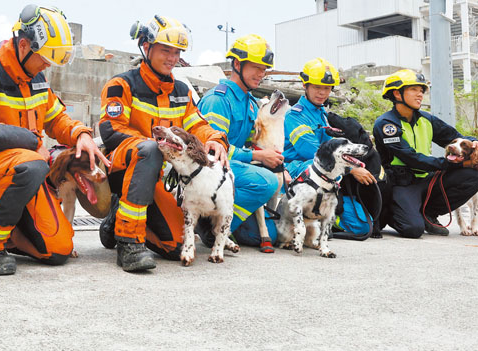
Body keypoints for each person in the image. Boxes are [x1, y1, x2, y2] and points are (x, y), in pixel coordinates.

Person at [0, 5, 107, 276]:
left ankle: (7, 228)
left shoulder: (37, 79)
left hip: (23, 171)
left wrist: (81, 134)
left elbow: (57, 119)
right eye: (44, 59)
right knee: (34, 163)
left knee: (59, 250)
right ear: (24, 45)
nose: (47, 65)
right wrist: (32, 141)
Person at [98, 15, 227, 272]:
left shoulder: (181, 91)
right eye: (165, 50)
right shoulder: (121, 85)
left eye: (177, 52)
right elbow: (112, 130)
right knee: (149, 150)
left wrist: (214, 140)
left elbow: (197, 126)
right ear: (146, 47)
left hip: (160, 177)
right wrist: (156, 146)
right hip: (125, 169)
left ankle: (115, 220)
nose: (172, 58)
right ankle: (128, 243)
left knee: (178, 245)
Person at [373, 69, 478, 238]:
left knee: (475, 177)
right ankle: (393, 212)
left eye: (421, 90)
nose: (420, 94)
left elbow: (453, 136)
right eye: (414, 89)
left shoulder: (426, 119)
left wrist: (474, 141)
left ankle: (429, 213)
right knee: (413, 230)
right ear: (397, 94)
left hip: (427, 179)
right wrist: (454, 164)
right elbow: (411, 159)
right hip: (402, 183)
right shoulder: (386, 124)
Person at [196, 34, 280, 251]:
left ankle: (224, 222)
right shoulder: (218, 100)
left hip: (233, 170)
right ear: (237, 64)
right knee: (267, 182)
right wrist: (258, 157)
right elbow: (213, 152)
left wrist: (273, 158)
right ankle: (212, 227)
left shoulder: (250, 103)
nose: (261, 74)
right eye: (256, 67)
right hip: (212, 170)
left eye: (264, 69)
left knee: (268, 235)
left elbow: (250, 144)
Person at [283, 57, 380, 238]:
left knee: (363, 227)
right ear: (305, 85)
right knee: (316, 169)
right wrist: (351, 169)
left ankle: (328, 219)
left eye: (327, 88)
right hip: (300, 170)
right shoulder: (294, 116)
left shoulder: (322, 114)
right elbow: (313, 153)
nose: (322, 93)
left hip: (327, 173)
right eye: (317, 87)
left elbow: (336, 151)